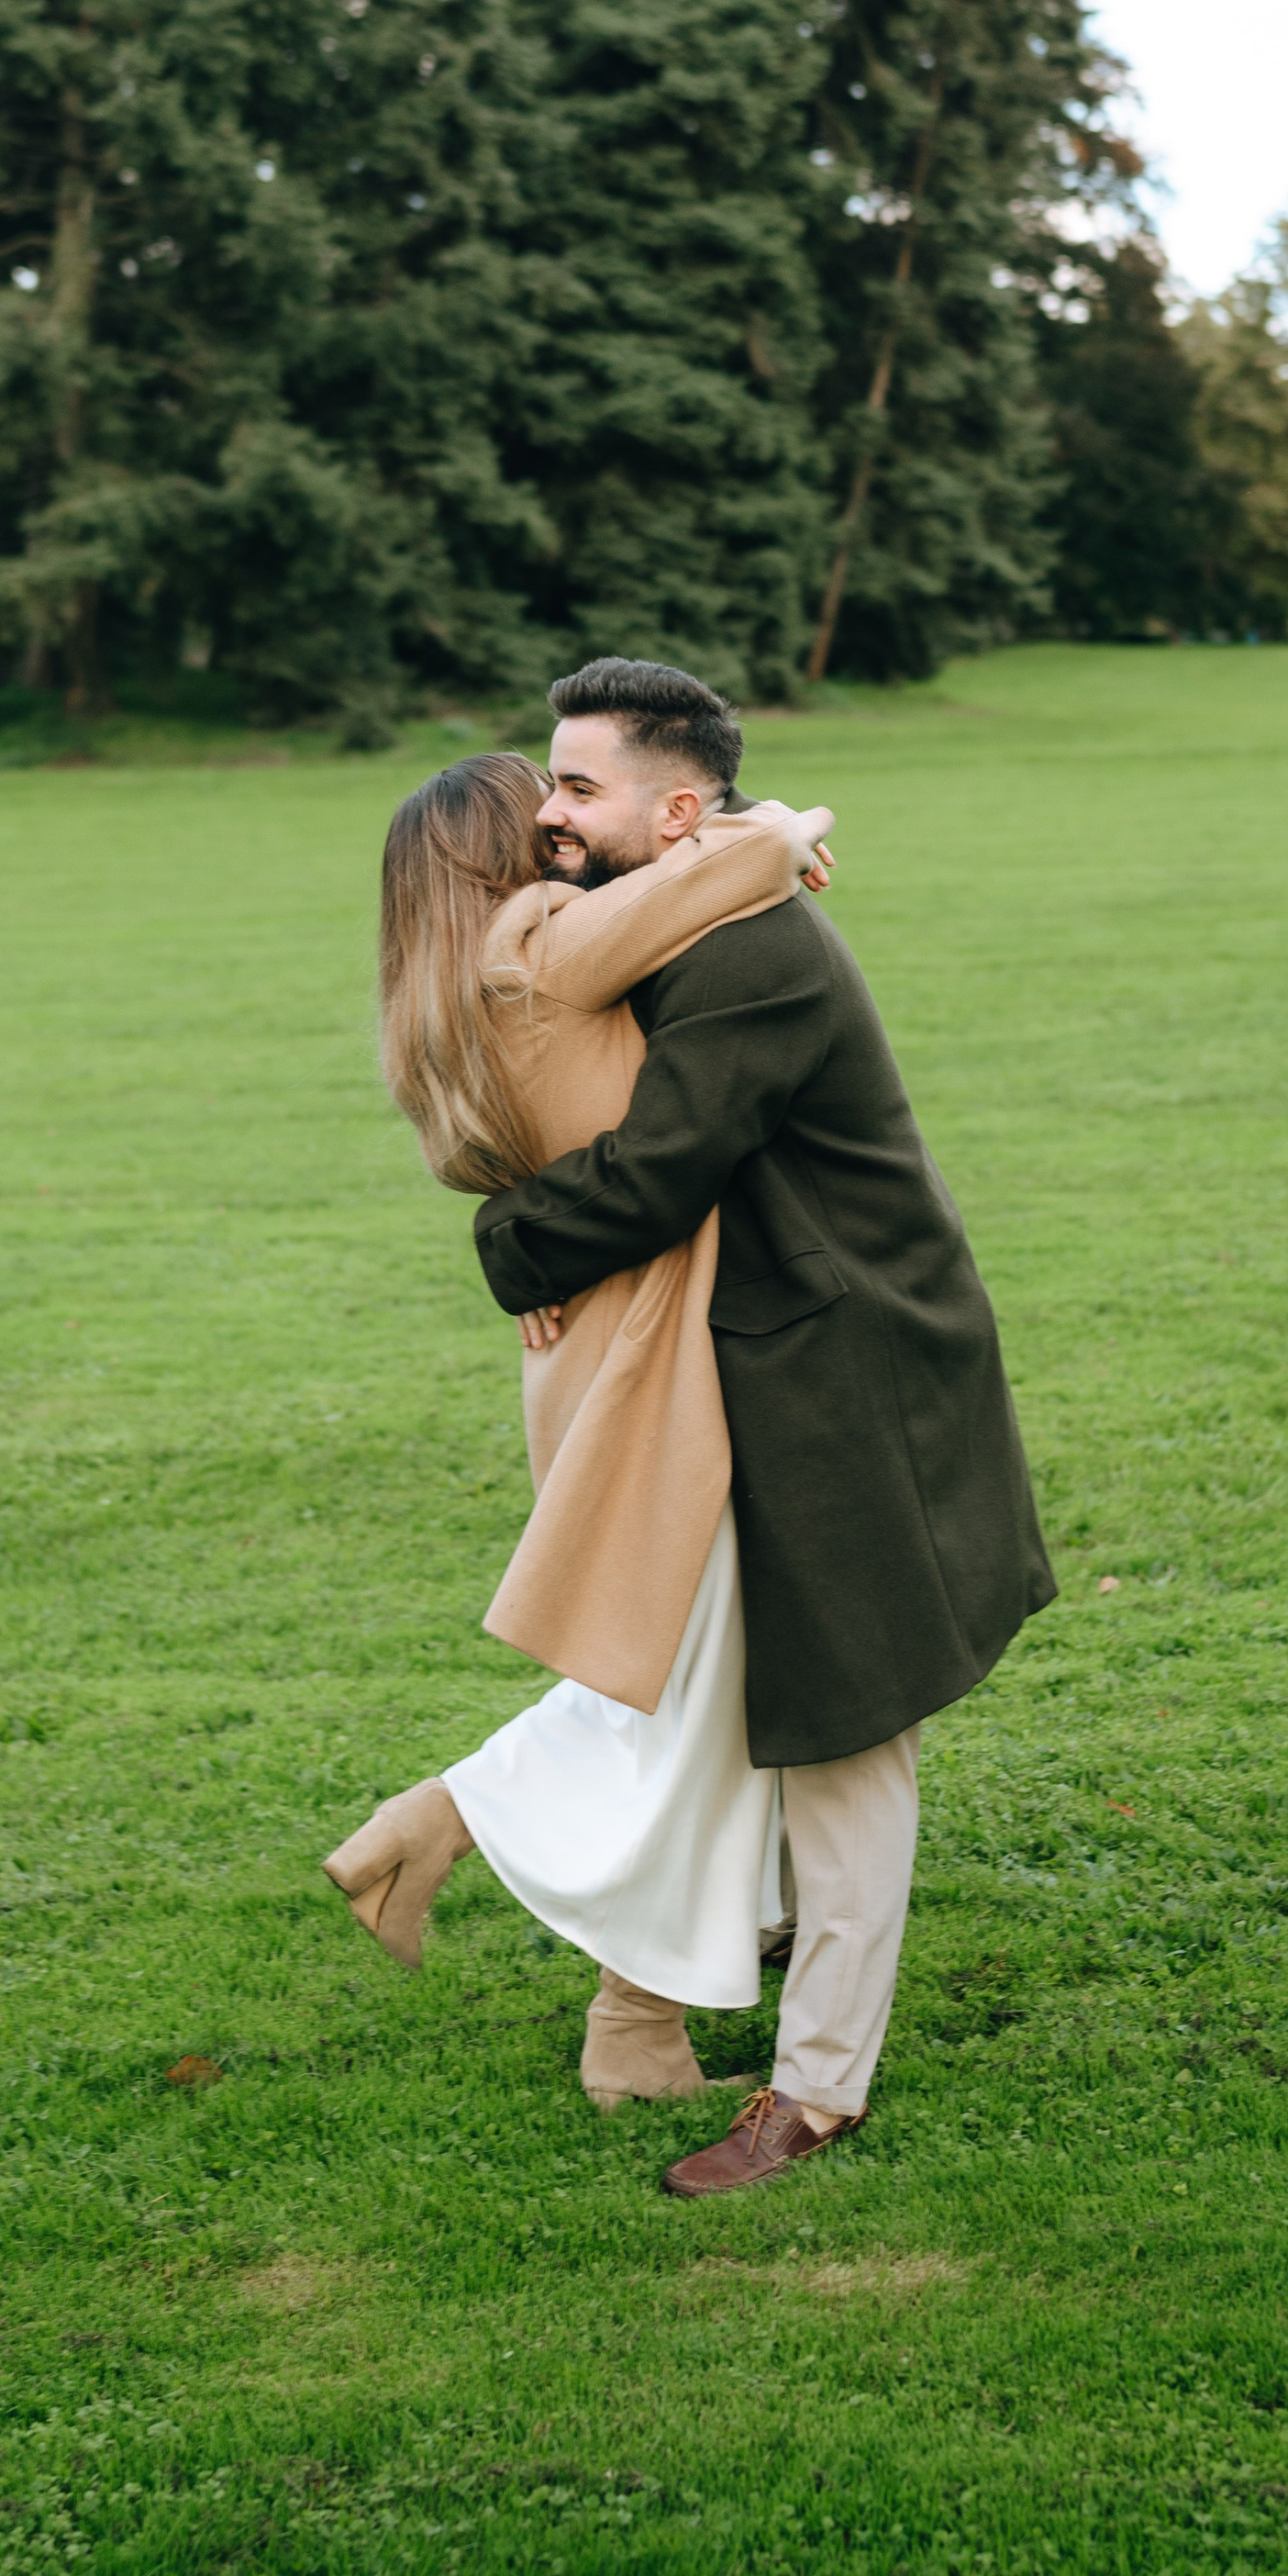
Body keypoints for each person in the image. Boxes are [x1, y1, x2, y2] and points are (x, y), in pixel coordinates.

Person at [467, 659, 1055, 2199]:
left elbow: (661, 1167)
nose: (548, 811)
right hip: (767, 1354)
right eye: (549, 778)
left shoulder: (755, 953)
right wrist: (772, 826)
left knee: (850, 1728)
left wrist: (510, 1247)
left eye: (579, 785)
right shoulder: (693, 907)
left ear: (677, 808)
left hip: (851, 1359)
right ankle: (750, 1948)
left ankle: (818, 2088)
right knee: (766, 1694)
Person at [325, 745, 838, 2116]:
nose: (569, 823)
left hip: (602, 1340)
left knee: (680, 1665)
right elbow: (741, 860)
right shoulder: (538, 941)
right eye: (546, 811)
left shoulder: (446, 1000)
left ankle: (459, 1838)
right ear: (511, 854)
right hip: (659, 1353)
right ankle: (629, 2010)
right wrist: (782, 823)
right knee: (698, 1680)